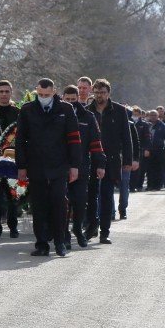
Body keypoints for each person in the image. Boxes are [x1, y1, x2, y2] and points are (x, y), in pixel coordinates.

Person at [16, 78, 81, 257]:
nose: (44, 97)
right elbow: (20, 139)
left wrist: (74, 165)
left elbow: (74, 140)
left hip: (59, 164)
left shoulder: (66, 109)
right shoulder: (27, 109)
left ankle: (60, 242)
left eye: (47, 94)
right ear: (36, 91)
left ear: (54, 92)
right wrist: (21, 166)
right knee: (39, 205)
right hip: (36, 164)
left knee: (59, 203)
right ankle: (42, 244)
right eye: (41, 94)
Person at [86, 79, 133, 245]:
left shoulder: (119, 111)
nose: (100, 96)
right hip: (91, 160)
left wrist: (128, 160)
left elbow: (127, 138)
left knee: (106, 196)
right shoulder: (88, 111)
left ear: (108, 93)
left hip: (111, 161)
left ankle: (104, 232)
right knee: (91, 197)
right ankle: (91, 226)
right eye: (97, 92)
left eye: (103, 92)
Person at [62, 85, 105, 247]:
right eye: (68, 100)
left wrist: (100, 164)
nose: (71, 102)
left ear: (78, 98)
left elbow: (96, 142)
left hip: (82, 166)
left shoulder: (88, 116)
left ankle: (78, 228)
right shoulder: (58, 115)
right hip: (61, 166)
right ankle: (64, 232)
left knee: (80, 201)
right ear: (63, 98)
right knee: (63, 202)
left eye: (73, 99)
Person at [118, 109, 139, 219]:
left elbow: (136, 144)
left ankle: (122, 209)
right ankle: (110, 212)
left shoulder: (131, 125)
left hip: (126, 160)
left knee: (124, 185)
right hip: (113, 159)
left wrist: (135, 159)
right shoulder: (111, 123)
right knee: (108, 187)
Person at [145, 109, 165, 190]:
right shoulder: (146, 125)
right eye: (151, 115)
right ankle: (150, 185)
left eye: (155, 115)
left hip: (159, 150)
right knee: (149, 169)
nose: (153, 117)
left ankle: (158, 185)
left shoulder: (162, 126)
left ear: (158, 116)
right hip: (148, 150)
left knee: (159, 169)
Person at [131, 106, 150, 192]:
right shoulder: (128, 123)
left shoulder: (144, 125)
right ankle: (129, 185)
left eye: (136, 114)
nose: (135, 116)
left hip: (140, 149)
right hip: (129, 148)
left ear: (140, 115)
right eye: (133, 114)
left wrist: (147, 149)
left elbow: (147, 138)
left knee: (139, 169)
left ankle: (138, 185)